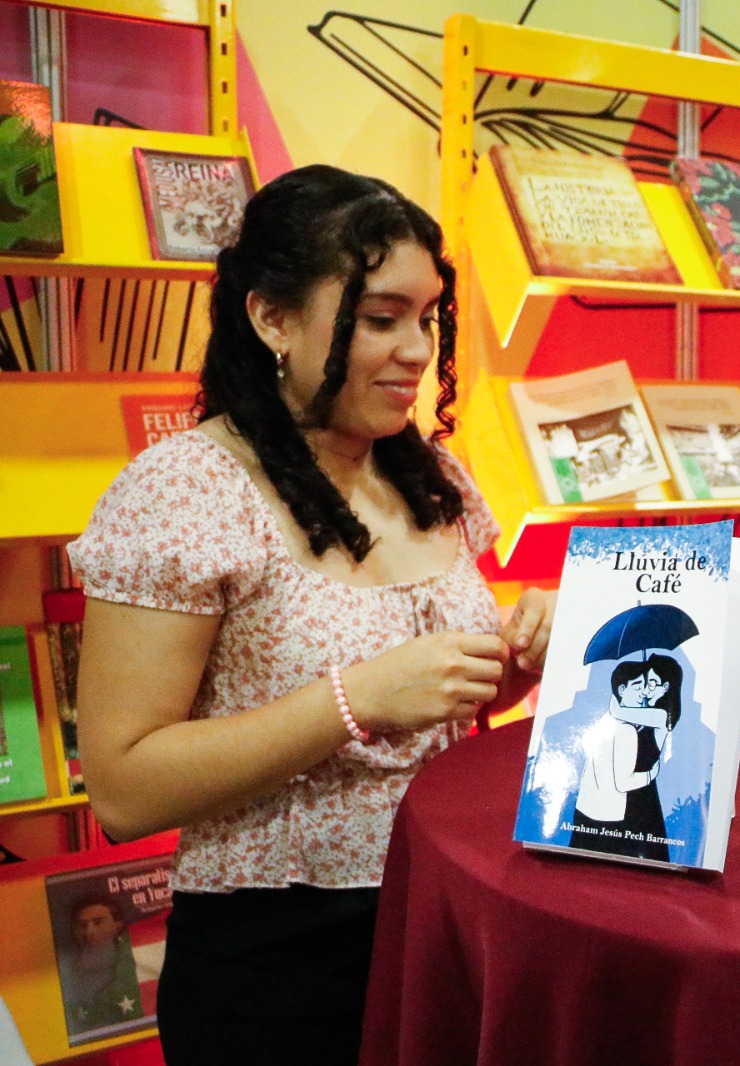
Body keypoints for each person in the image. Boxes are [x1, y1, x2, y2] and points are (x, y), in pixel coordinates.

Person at [67, 165, 555, 1065]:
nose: (418, 349)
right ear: (272, 318)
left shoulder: (425, 473)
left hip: (450, 916)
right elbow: (126, 789)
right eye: (381, 318)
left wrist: (516, 661)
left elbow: (435, 708)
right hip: (281, 963)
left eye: (428, 317)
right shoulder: (185, 493)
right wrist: (353, 699)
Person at [572, 654, 682, 861]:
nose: (646, 690)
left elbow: (618, 711)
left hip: (642, 799)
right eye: (644, 683)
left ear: (665, 688)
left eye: (652, 684)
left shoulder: (661, 716)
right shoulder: (639, 714)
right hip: (623, 797)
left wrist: (622, 691)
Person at [59, 895, 142, 1035]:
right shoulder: (66, 973)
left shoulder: (133, 965)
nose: (89, 932)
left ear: (117, 924)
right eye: (82, 925)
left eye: (98, 922)